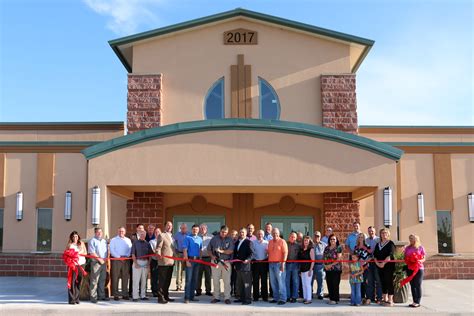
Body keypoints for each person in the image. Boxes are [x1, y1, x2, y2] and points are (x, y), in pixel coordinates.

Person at [208, 225, 234, 304]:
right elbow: (209, 249)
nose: (223, 233)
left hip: (226, 262)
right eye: (222, 232)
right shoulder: (214, 238)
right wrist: (212, 256)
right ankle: (216, 297)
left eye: (225, 232)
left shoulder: (230, 239)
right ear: (220, 231)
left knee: (227, 281)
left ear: (227, 232)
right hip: (216, 262)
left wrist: (221, 251)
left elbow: (231, 251)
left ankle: (227, 298)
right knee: (215, 280)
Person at [373, 228, 396, 307]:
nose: (384, 234)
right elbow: (375, 255)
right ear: (380, 234)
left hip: (388, 266)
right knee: (382, 282)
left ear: (388, 234)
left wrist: (383, 263)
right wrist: (377, 263)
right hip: (379, 265)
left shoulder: (390, 243)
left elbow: (390, 254)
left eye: (386, 233)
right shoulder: (378, 244)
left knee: (389, 281)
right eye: (382, 233)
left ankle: (390, 300)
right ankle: (385, 299)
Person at [155, 221, 176, 304]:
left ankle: (166, 296)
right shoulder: (162, 235)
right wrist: (158, 254)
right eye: (168, 225)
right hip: (163, 262)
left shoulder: (172, 237)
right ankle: (160, 297)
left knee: (168, 280)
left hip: (171, 262)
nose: (169, 227)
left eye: (171, 226)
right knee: (162, 281)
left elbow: (173, 249)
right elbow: (158, 247)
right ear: (165, 226)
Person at [110, 226, 132, 301]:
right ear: (117, 231)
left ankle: (124, 294)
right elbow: (112, 250)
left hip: (126, 260)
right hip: (116, 260)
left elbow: (130, 249)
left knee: (125, 277)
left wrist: (126, 256)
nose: (121, 232)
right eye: (120, 231)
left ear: (125, 232)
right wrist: (119, 257)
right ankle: (116, 294)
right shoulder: (113, 240)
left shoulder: (128, 240)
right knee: (115, 277)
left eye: (122, 231)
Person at [88, 227, 109, 303]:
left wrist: (105, 259)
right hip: (96, 263)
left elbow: (106, 251)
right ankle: (93, 297)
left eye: (100, 232)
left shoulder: (104, 241)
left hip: (103, 263)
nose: (99, 233)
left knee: (102, 280)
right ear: (95, 233)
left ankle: (101, 296)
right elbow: (92, 252)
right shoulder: (92, 241)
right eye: (98, 232)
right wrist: (100, 259)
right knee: (94, 281)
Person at [404, 234, 426, 308]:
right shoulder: (407, 248)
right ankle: (414, 301)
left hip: (419, 268)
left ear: (416, 239)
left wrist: (419, 260)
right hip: (410, 268)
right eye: (410, 238)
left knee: (418, 284)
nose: (410, 240)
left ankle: (418, 302)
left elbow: (424, 258)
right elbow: (405, 257)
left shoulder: (420, 248)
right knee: (412, 285)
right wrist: (408, 260)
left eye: (412, 238)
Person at [268, 227, 288, 305]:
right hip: (271, 264)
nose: (275, 234)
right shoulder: (270, 242)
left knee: (281, 282)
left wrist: (283, 264)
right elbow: (269, 252)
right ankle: (275, 298)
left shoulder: (282, 241)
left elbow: (285, 253)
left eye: (276, 233)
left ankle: (283, 299)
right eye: (273, 233)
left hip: (279, 264)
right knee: (273, 282)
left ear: (279, 234)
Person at [183, 224, 203, 303]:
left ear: (198, 230)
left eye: (197, 229)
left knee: (195, 280)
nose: (195, 231)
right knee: (188, 280)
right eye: (194, 229)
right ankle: (186, 298)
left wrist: (200, 258)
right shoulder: (187, 238)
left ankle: (192, 296)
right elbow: (185, 249)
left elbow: (200, 249)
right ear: (192, 230)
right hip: (190, 260)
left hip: (197, 261)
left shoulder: (200, 238)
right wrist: (187, 261)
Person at [233, 227, 253, 305]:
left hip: (245, 267)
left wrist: (248, 260)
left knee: (247, 284)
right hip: (238, 266)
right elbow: (235, 254)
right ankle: (241, 298)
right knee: (240, 283)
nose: (241, 234)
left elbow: (252, 254)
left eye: (243, 232)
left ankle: (248, 299)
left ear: (246, 233)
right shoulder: (237, 242)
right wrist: (234, 264)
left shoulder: (249, 242)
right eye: (240, 232)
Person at [66, 231, 87, 304]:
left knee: (79, 281)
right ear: (71, 237)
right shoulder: (70, 245)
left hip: (81, 264)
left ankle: (77, 298)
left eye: (76, 236)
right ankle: (72, 299)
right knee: (72, 282)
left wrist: (78, 253)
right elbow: (66, 254)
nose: (75, 238)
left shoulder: (81, 243)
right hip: (73, 265)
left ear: (78, 237)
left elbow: (85, 253)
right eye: (74, 236)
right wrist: (72, 256)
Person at [131, 230, 153, 301]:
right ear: (139, 235)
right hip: (137, 262)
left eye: (144, 234)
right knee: (136, 280)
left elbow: (150, 255)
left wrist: (148, 263)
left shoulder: (147, 244)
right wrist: (136, 263)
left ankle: (143, 295)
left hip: (145, 263)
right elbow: (133, 254)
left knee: (144, 280)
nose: (143, 235)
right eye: (141, 234)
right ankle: (135, 296)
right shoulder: (135, 243)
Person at [323, 233, 343, 305]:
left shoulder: (339, 247)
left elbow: (338, 259)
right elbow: (324, 257)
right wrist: (325, 265)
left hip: (336, 269)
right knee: (329, 283)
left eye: (334, 239)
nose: (332, 240)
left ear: (336, 240)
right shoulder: (327, 248)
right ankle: (331, 298)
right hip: (328, 269)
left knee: (335, 284)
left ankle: (335, 299)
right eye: (331, 239)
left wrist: (330, 265)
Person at [365, 226, 382, 304]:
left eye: (372, 231)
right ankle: (370, 298)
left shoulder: (378, 239)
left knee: (378, 281)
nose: (371, 232)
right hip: (369, 262)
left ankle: (379, 298)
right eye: (369, 231)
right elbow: (365, 251)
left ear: (375, 231)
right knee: (370, 280)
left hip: (377, 262)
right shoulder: (366, 240)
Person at [252, 229, 269, 302]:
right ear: (256, 235)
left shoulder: (266, 243)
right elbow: (252, 253)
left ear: (263, 235)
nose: (260, 235)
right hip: (255, 263)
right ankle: (256, 296)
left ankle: (264, 296)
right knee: (255, 280)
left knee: (264, 280)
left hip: (264, 263)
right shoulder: (253, 242)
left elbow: (268, 253)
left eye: (261, 234)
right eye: (258, 234)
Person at [354, 232, 371, 304]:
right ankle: (361, 298)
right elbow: (354, 257)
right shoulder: (356, 247)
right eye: (359, 237)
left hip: (366, 267)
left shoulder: (367, 246)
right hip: (358, 267)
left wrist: (365, 262)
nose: (361, 238)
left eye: (362, 237)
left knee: (365, 282)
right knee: (359, 282)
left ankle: (368, 298)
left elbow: (371, 256)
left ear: (364, 238)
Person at [196, 223, 212, 297]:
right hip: (199, 258)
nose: (202, 230)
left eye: (204, 228)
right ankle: (198, 290)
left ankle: (208, 290)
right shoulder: (197, 237)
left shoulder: (211, 237)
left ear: (206, 229)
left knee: (208, 275)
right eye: (201, 228)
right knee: (198, 275)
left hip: (208, 258)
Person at [298, 235, 314, 304]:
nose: (306, 242)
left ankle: (309, 299)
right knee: (303, 284)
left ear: (309, 241)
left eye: (307, 240)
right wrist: (300, 270)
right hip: (302, 269)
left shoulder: (311, 249)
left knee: (308, 284)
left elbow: (313, 260)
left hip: (308, 269)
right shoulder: (301, 249)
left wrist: (310, 270)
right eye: (305, 240)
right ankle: (305, 298)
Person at [285, 232, 300, 303]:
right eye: (291, 236)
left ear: (296, 238)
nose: (292, 238)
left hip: (295, 265)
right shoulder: (285, 244)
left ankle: (294, 297)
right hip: (287, 264)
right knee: (286, 281)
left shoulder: (298, 245)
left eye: (294, 237)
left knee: (295, 281)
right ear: (289, 237)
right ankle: (287, 296)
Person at [174, 223, 189, 291]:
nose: (183, 230)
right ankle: (178, 286)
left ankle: (187, 286)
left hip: (188, 255)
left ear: (187, 228)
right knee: (179, 271)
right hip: (179, 254)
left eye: (184, 228)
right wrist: (175, 252)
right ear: (180, 229)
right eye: (182, 228)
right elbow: (173, 243)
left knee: (188, 271)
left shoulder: (189, 235)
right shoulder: (177, 235)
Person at [312, 231, 326, 300]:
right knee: (310, 280)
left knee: (320, 280)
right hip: (311, 265)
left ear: (320, 237)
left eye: (318, 236)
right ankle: (310, 293)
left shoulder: (324, 245)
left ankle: (320, 293)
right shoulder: (310, 245)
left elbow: (327, 254)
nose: (317, 237)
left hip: (320, 265)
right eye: (315, 236)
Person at [148, 227, 162, 297]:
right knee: (154, 277)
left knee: (160, 277)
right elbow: (152, 251)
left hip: (162, 261)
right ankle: (154, 290)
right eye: (156, 232)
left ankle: (160, 290)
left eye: (158, 232)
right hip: (154, 261)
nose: (157, 234)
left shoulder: (162, 241)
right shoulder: (151, 242)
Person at [230, 229, 239, 297]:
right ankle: (230, 291)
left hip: (236, 263)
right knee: (229, 278)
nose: (234, 236)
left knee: (236, 278)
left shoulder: (239, 243)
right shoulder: (228, 242)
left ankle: (236, 291)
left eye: (236, 235)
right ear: (231, 235)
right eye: (233, 234)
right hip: (228, 262)